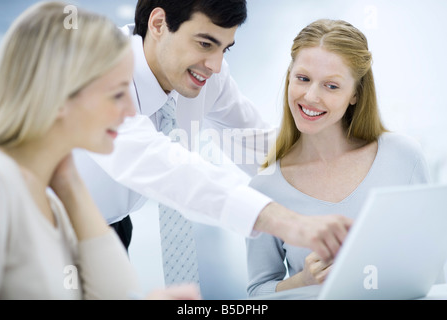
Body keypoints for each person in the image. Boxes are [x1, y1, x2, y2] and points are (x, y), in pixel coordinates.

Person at [74, 0, 352, 288]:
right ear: (158, 24)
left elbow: (256, 145)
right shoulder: (94, 70)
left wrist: (346, 173)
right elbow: (159, 164)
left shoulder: (208, 75)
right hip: (45, 226)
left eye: (225, 48)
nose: (215, 65)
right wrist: (285, 222)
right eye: (205, 44)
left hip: (109, 229)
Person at [0, 1, 200, 300]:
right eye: (118, 93)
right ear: (59, 93)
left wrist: (68, 180)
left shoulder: (53, 200)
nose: (132, 111)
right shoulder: (4, 187)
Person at [245, 19, 431, 297]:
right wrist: (303, 280)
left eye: (331, 86)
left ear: (355, 94)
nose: (310, 96)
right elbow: (258, 292)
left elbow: (432, 264)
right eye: (303, 78)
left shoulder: (404, 157)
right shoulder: (264, 188)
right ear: (289, 77)